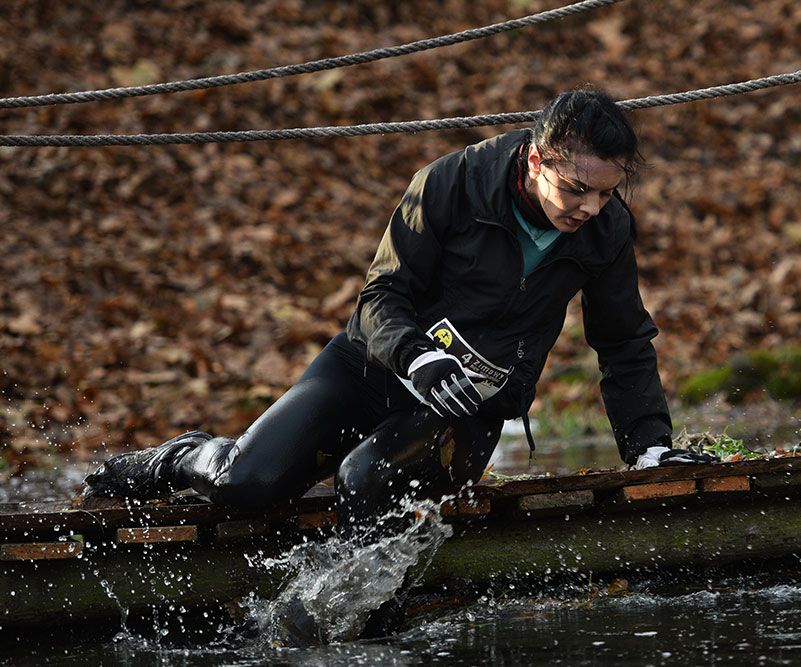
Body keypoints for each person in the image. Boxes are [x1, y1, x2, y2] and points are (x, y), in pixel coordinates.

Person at [82, 86, 716, 532]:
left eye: (606, 193)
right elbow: (381, 296)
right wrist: (416, 355)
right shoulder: (450, 182)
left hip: (467, 407)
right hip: (370, 366)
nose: (590, 209)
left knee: (367, 478)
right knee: (248, 485)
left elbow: (624, 342)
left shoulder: (605, 231)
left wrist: (650, 450)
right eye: (576, 189)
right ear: (535, 159)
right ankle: (180, 455)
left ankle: (348, 617)